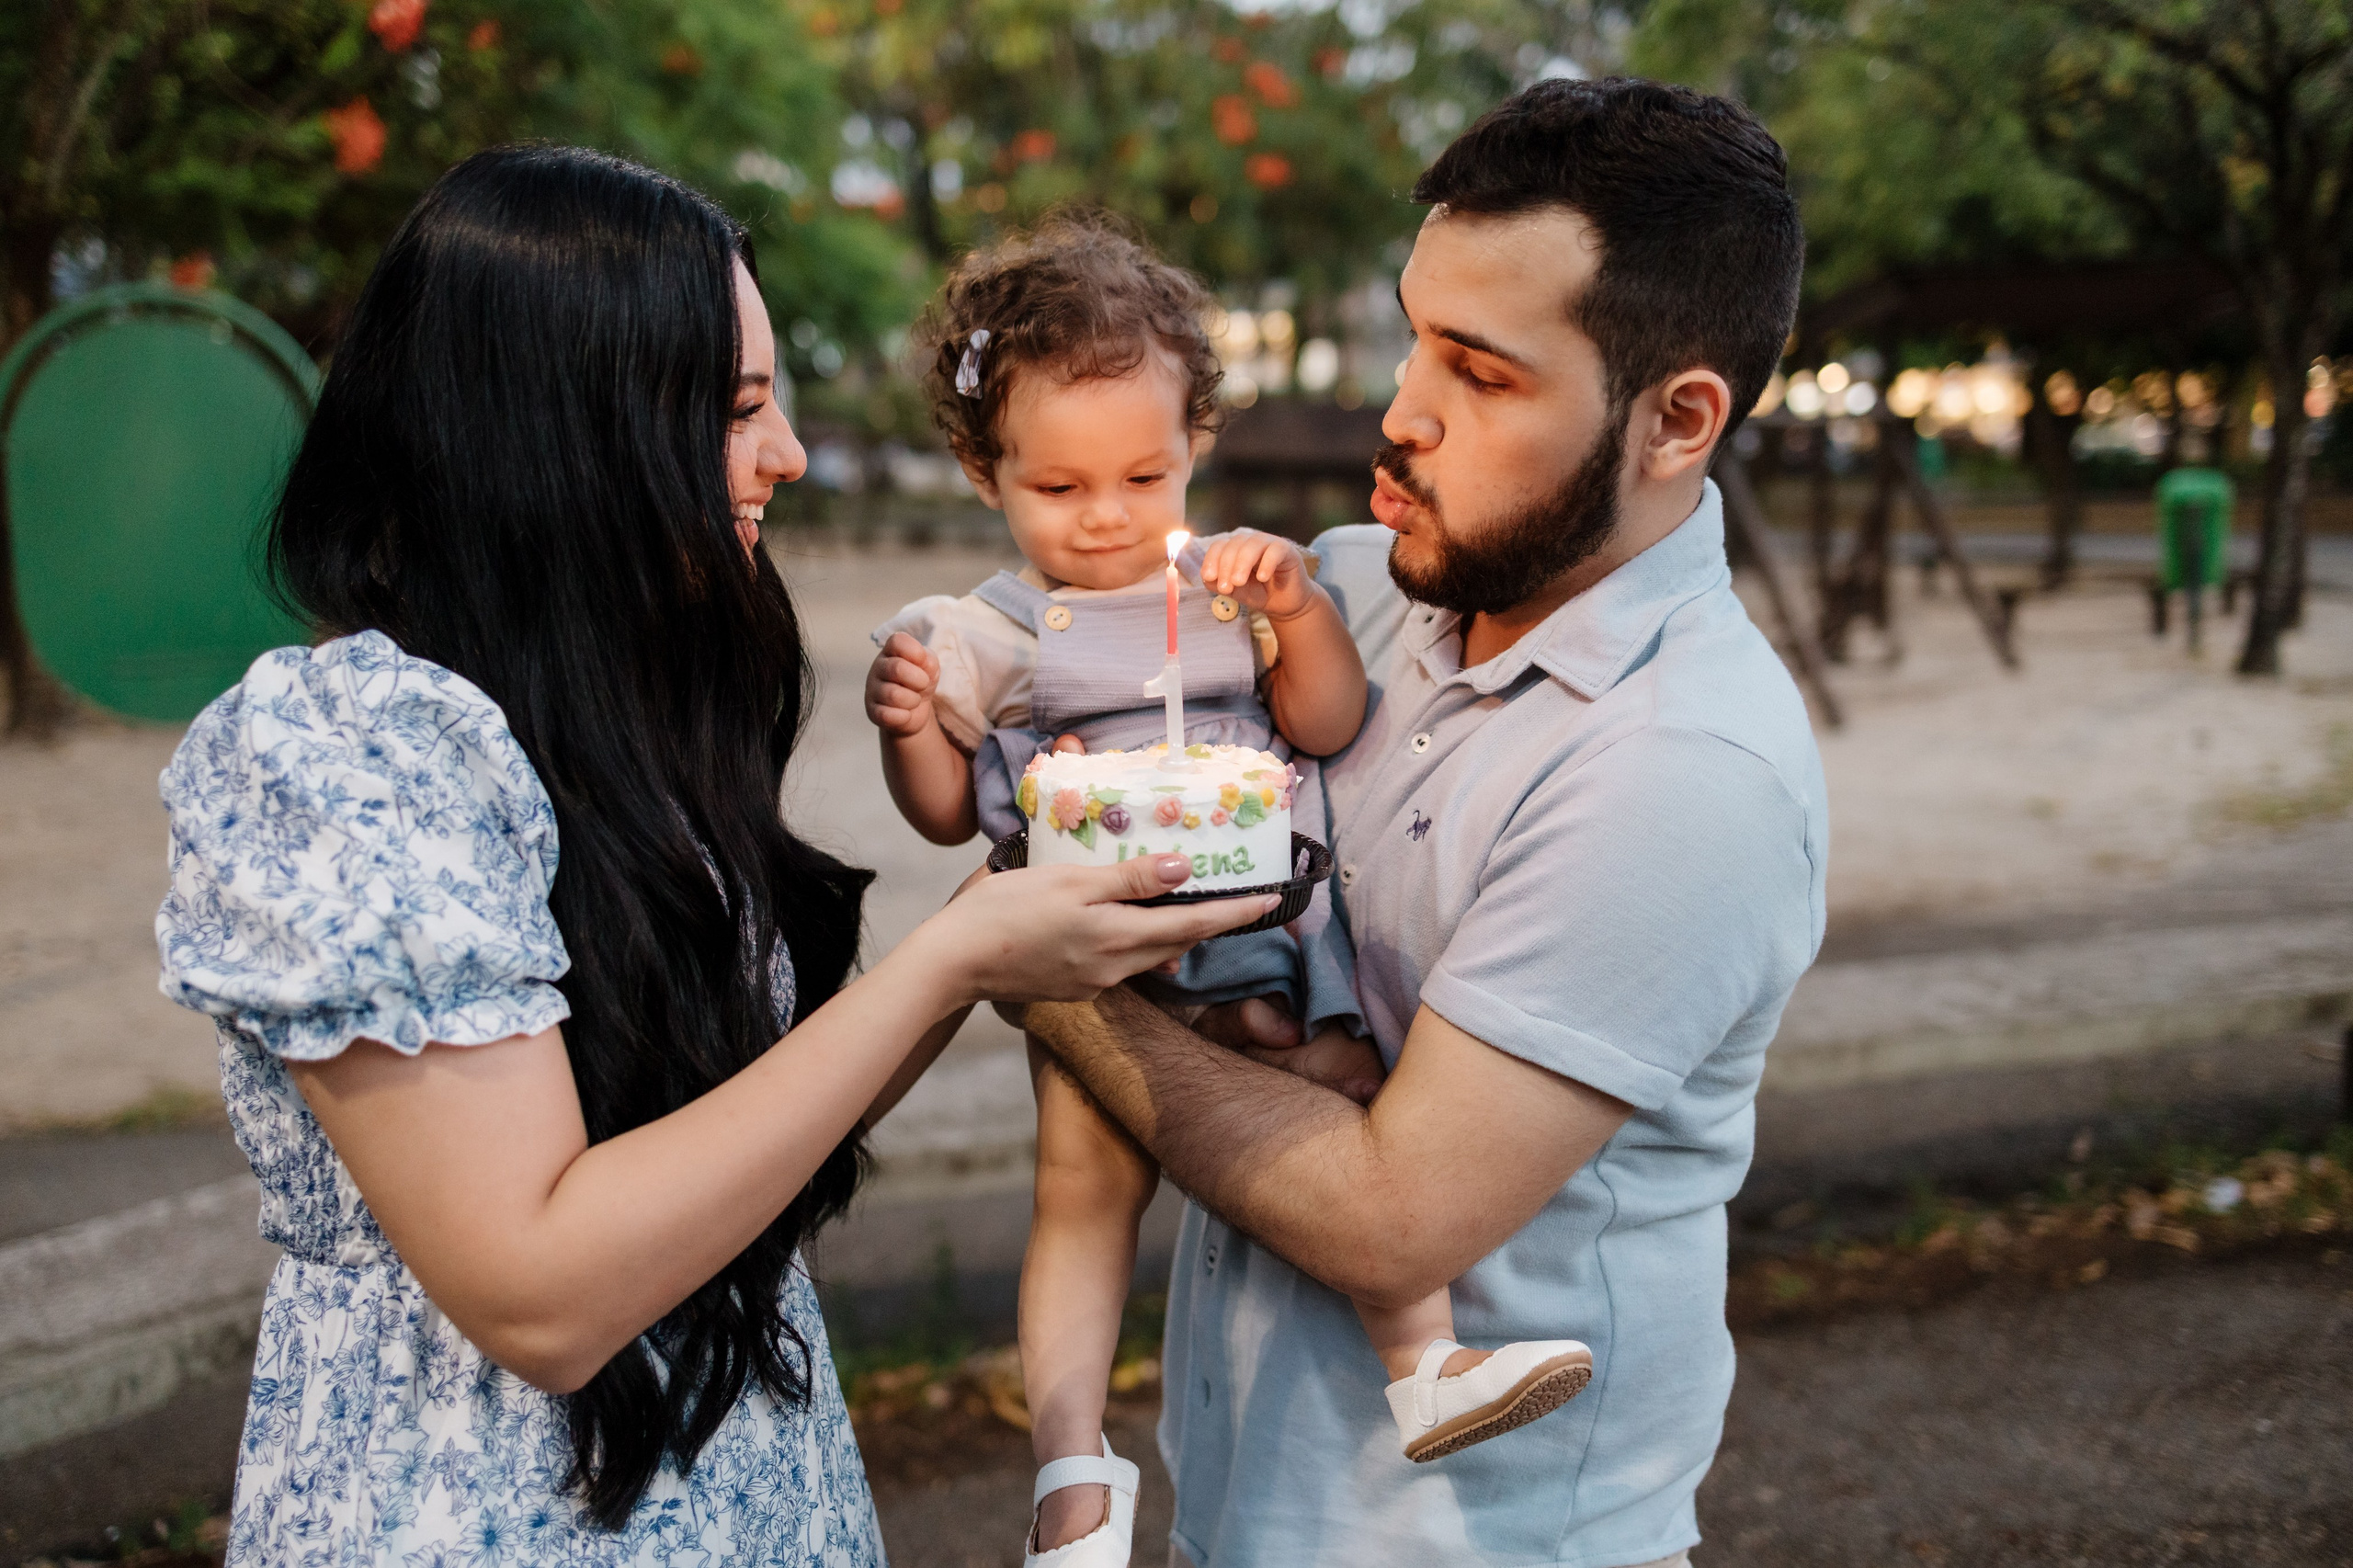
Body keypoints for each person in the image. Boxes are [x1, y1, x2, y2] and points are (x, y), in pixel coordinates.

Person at [153, 146, 1269, 1566]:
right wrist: (958, 957)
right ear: (571, 431)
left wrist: (1030, 896)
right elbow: (541, 1295)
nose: (790, 452)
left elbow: (749, 1131)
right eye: (740, 408)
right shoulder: (342, 754)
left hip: (750, 1495)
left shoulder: (611, 714)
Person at [1015, 78, 1828, 1568]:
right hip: (1235, 1503)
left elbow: (1397, 1222)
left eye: (1481, 371)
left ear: (1678, 419)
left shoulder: (1686, 767)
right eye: (1414, 333)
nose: (1404, 409)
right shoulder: (1354, 588)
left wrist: (1040, 976)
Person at [863, 218, 1591, 1568]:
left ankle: (1426, 1365)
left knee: (1361, 1100)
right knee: (1082, 1192)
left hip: (1261, 932)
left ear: (1196, 437)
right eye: (1059, 486)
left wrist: (1300, 609)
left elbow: (1326, 721)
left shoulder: (1231, 586)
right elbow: (942, 810)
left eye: (1144, 472)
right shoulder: (1009, 629)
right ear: (986, 473)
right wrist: (916, 719)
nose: (1106, 515)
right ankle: (1072, 1478)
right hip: (1102, 951)